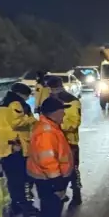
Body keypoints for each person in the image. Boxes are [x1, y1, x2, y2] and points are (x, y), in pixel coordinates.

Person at [26, 96, 74, 217]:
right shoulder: (46, 131)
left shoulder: (50, 127)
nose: (64, 114)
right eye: (62, 111)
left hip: (51, 180)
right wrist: (58, 186)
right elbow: (48, 162)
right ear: (54, 113)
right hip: (49, 182)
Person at [0, 82, 37, 216]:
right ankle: (26, 206)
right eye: (26, 96)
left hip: (6, 148)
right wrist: (31, 119)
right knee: (24, 179)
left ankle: (15, 205)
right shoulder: (15, 104)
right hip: (18, 148)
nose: (26, 99)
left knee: (13, 179)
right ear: (21, 94)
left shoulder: (1, 106)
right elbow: (17, 123)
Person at [44, 75, 83, 208]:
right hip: (53, 141)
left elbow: (74, 123)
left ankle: (77, 194)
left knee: (72, 170)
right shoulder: (49, 100)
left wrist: (56, 126)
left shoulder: (72, 101)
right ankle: (60, 194)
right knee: (55, 170)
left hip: (69, 143)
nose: (51, 92)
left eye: (53, 89)